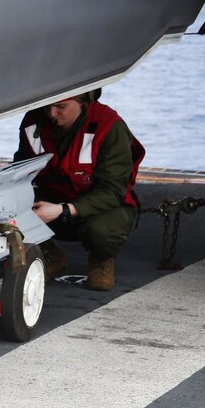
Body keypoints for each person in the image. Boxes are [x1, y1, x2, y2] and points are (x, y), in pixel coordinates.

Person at [15, 90, 143, 290]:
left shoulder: (108, 126)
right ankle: (50, 254)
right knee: (7, 206)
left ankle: (101, 259)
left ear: (82, 101)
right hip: (51, 200)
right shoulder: (34, 122)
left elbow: (112, 192)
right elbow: (21, 171)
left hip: (98, 206)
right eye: (48, 106)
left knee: (105, 230)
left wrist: (62, 209)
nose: (52, 113)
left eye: (61, 106)